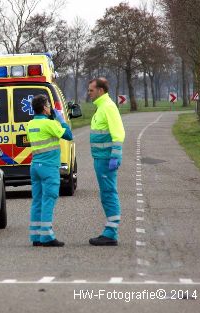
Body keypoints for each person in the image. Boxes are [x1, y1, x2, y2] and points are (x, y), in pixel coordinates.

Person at [26, 94, 73, 247]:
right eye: (48, 105)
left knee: (37, 201)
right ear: (45, 107)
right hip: (49, 167)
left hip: (35, 167)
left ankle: (36, 236)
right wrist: (61, 120)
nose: (50, 108)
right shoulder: (50, 124)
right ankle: (47, 237)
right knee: (48, 200)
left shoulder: (31, 124)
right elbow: (68, 135)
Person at [87, 77, 125, 246]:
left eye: (91, 90)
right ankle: (110, 230)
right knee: (106, 194)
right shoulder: (101, 107)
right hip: (100, 158)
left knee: (109, 193)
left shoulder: (108, 107)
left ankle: (111, 233)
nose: (89, 93)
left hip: (106, 158)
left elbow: (118, 133)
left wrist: (115, 155)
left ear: (100, 91)